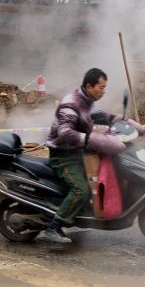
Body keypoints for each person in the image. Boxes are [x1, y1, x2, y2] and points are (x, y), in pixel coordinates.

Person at [42, 68, 139, 244]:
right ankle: (54, 227)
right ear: (89, 86)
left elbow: (94, 117)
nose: (103, 91)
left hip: (78, 152)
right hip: (63, 156)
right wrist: (91, 139)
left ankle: (82, 214)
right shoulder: (71, 104)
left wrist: (119, 119)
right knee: (82, 190)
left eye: (104, 88)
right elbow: (64, 132)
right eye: (101, 88)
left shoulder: (87, 101)